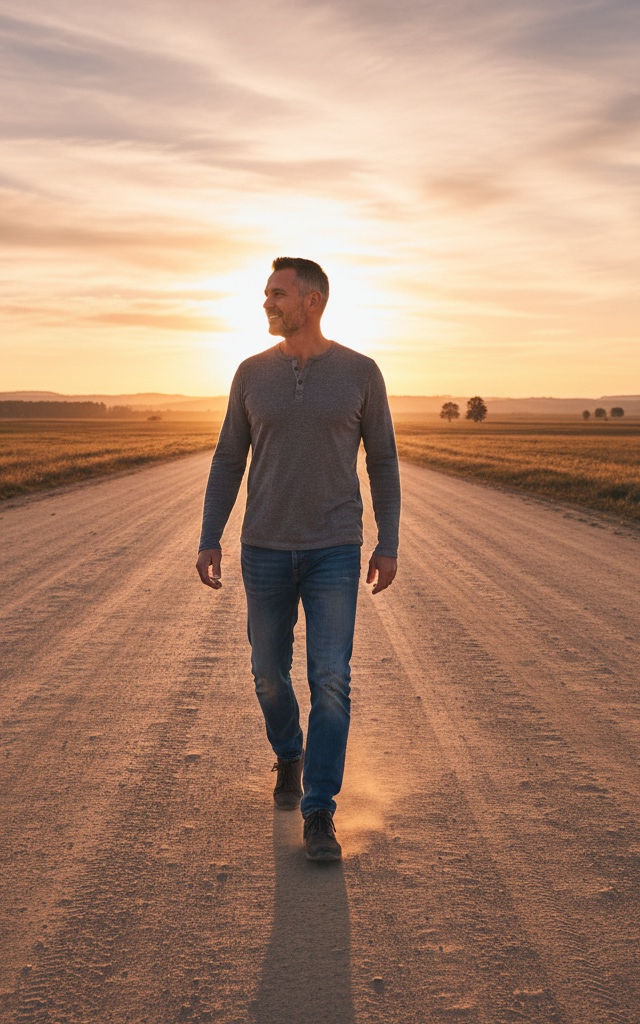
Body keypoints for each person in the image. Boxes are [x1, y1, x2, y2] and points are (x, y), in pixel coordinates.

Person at [195, 256, 401, 862]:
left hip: (335, 548)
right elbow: (228, 459)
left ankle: (319, 812)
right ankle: (289, 752)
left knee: (331, 679)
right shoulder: (249, 374)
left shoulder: (361, 373)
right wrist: (211, 536)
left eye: (277, 294)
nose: (267, 303)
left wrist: (387, 543)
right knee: (266, 672)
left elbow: (383, 461)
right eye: (266, 293)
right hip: (264, 547)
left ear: (311, 300)